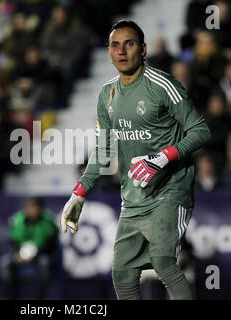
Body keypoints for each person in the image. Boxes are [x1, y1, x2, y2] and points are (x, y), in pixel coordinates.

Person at [61, 20, 211, 300]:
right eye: (115, 45)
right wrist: (79, 194)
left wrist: (163, 157)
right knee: (122, 273)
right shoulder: (107, 94)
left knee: (164, 261)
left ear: (143, 49)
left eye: (129, 43)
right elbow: (103, 150)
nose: (121, 50)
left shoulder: (163, 85)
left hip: (171, 188)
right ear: (108, 52)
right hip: (134, 196)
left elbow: (201, 131)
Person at [0, 197, 59, 299]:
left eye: (34, 206)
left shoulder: (48, 221)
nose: (30, 210)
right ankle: (12, 297)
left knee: (44, 264)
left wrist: (36, 253)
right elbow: (12, 240)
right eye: (28, 207)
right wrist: (16, 254)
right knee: (5, 263)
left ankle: (41, 299)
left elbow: (52, 243)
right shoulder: (17, 220)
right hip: (20, 254)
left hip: (40, 254)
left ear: (40, 208)